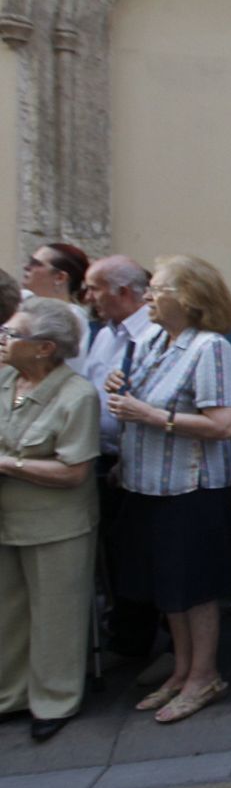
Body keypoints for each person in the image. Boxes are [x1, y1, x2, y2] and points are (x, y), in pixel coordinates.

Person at [104, 255, 231, 724]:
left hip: (191, 489)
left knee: (195, 587)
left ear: (189, 298)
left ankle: (205, 675)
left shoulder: (209, 349)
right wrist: (120, 386)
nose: (146, 297)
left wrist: (151, 415)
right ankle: (181, 671)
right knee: (169, 586)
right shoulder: (153, 341)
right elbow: (139, 398)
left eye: (156, 289)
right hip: (149, 485)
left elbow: (223, 425)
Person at [0, 297, 100, 742]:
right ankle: (11, 695)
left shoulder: (77, 394)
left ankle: (53, 700)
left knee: (57, 614)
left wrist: (8, 464)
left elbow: (74, 472)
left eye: (12, 333)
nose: (3, 338)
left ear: (43, 348)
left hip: (56, 525)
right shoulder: (5, 380)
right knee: (9, 614)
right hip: (7, 522)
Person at [80, 255, 160, 659]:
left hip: (141, 460)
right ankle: (127, 629)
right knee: (117, 553)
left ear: (121, 291)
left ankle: (142, 638)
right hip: (105, 457)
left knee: (140, 554)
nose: (88, 297)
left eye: (94, 289)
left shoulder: (152, 334)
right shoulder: (105, 334)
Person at [20, 244, 91, 372]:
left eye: (35, 263)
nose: (26, 267)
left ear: (60, 277)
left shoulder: (72, 318)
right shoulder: (25, 305)